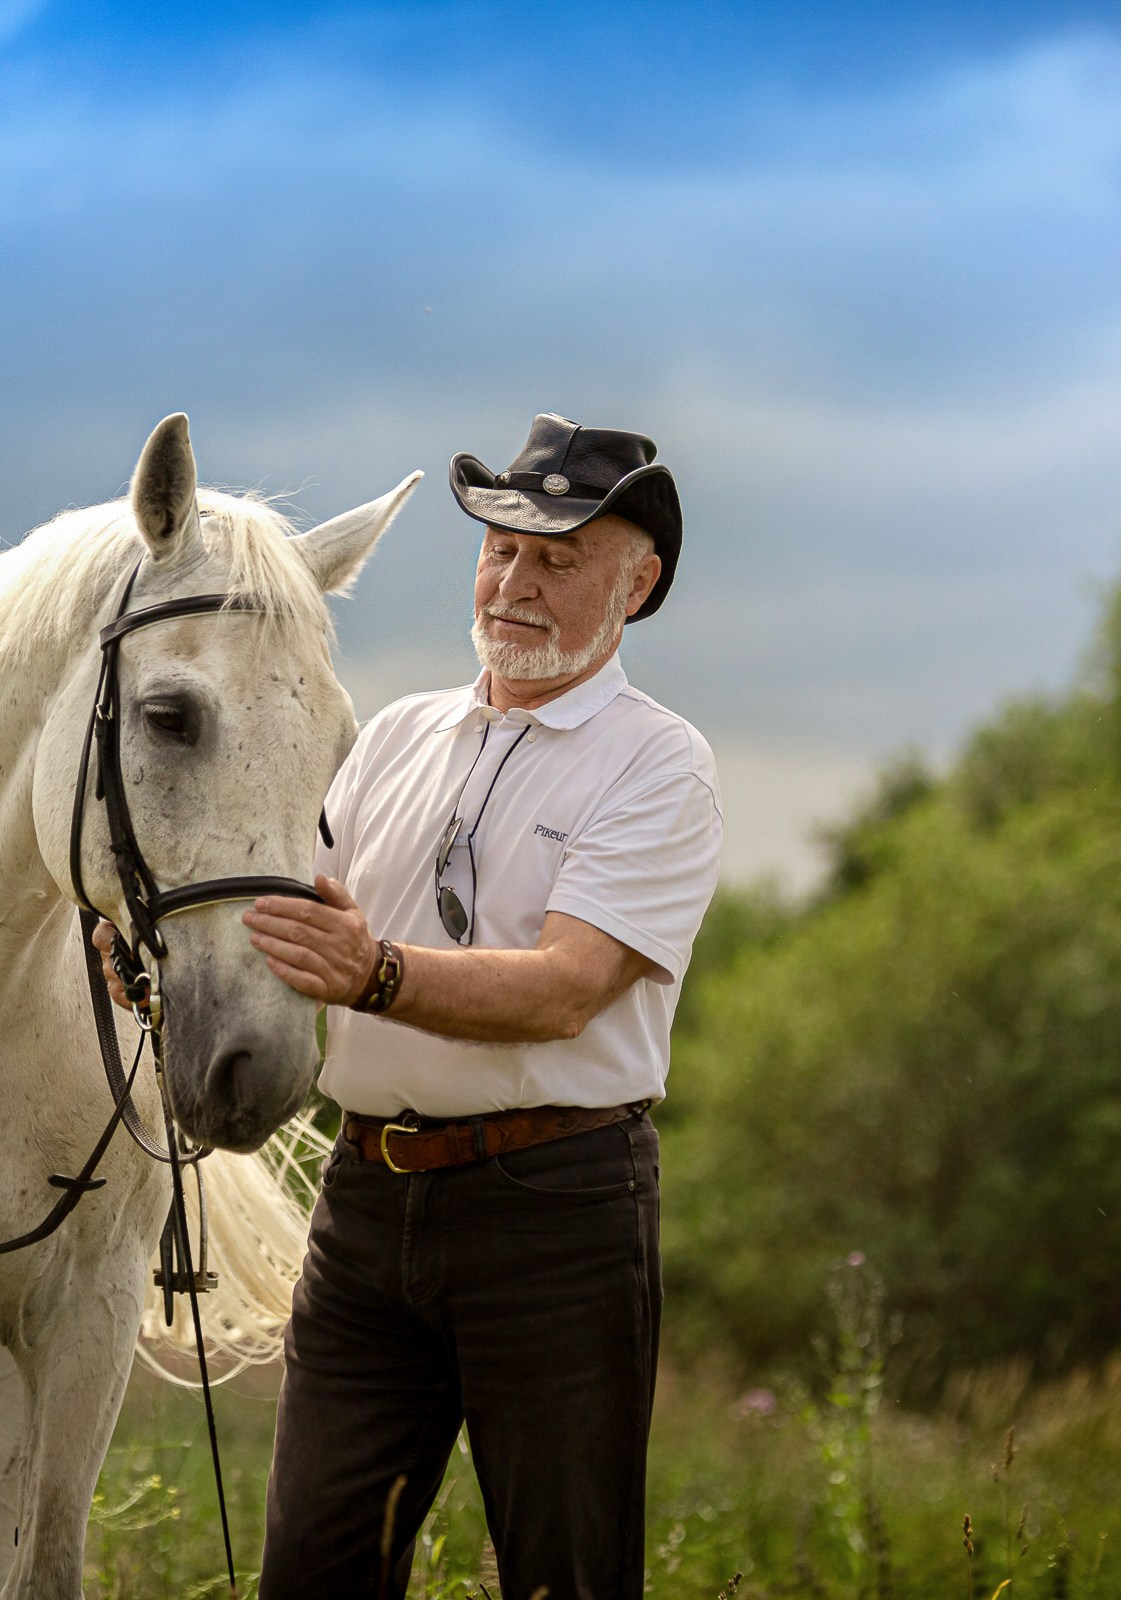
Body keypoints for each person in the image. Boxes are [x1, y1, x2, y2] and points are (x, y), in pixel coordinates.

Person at [245, 413, 723, 1598]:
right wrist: (156, 945)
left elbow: (569, 988)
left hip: (554, 1215)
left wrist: (374, 974)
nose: (515, 580)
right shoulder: (395, 733)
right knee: (313, 1570)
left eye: (558, 559)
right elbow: (287, 921)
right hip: (363, 1209)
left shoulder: (658, 761)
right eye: (501, 548)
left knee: (565, 1576)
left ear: (638, 580)